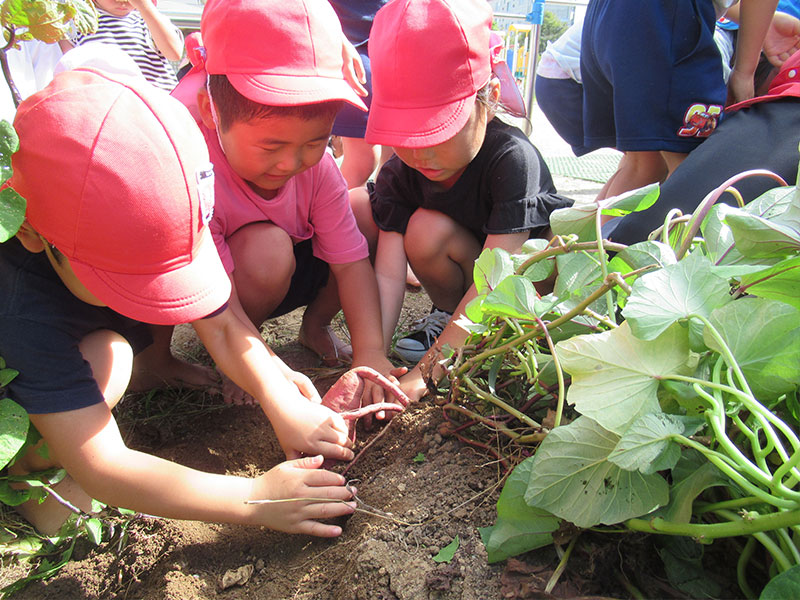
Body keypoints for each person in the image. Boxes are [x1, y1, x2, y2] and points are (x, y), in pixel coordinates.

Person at [0, 68, 357, 537]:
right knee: (71, 511)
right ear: (30, 233)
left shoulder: (168, 205)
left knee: (111, 354)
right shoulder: (23, 308)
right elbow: (105, 467)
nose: (154, 293)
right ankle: (25, 470)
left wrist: (279, 398)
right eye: (128, 276)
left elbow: (223, 324)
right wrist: (254, 499)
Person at [170, 0, 397, 392]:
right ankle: (238, 352)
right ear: (211, 111)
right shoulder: (193, 169)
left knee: (363, 209)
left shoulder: (319, 169)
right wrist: (262, 371)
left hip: (292, 270)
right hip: (222, 287)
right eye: (271, 146)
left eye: (317, 141)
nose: (293, 162)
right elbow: (213, 292)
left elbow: (351, 264)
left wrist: (371, 351)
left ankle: (314, 327)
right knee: (267, 250)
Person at [351, 0, 572, 402]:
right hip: (466, 276)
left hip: (524, 288)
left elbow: (498, 277)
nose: (420, 153)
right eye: (405, 133)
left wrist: (427, 370)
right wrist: (374, 359)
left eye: (437, 131)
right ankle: (451, 323)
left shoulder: (513, 159)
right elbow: (387, 275)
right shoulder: (401, 171)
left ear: (489, 97)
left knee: (514, 271)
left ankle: (470, 344)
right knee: (423, 229)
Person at [580, 0, 779, 205]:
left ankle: (582, 236)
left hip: (611, 13)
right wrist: (745, 71)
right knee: (689, 166)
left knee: (646, 164)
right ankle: (612, 236)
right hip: (667, 18)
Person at [606, 46, 800, 245]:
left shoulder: (743, 123)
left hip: (625, 247)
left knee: (643, 166)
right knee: (649, 166)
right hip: (682, 256)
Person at [328, 0, 391, 190]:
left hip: (395, 28)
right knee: (364, 161)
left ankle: (384, 212)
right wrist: (332, 34)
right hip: (351, 37)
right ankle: (320, 217)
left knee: (394, 158)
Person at [66, 0, 182, 91]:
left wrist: (144, 6)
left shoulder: (147, 19)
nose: (123, 1)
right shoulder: (77, 23)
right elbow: (68, 70)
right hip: (105, 106)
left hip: (155, 106)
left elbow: (174, 53)